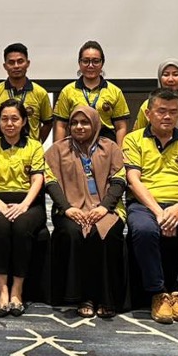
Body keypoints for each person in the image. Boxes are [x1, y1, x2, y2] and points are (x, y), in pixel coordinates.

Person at [123, 88, 178, 325]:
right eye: (161, 111)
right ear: (148, 113)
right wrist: (159, 212)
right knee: (144, 231)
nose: (167, 116)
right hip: (145, 205)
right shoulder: (133, 139)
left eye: (173, 112)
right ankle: (158, 293)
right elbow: (133, 180)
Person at [45, 105, 127, 318]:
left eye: (85, 122)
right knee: (73, 232)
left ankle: (106, 297)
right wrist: (67, 208)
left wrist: (104, 207)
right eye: (74, 123)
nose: (79, 127)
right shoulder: (57, 150)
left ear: (96, 124)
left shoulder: (110, 148)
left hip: (107, 208)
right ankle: (83, 296)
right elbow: (50, 182)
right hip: (69, 209)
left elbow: (119, 181)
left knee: (104, 234)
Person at [0, 99, 47, 317]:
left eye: (15, 119)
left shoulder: (35, 146)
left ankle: (17, 290)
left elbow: (37, 180)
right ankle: (2, 290)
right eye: (4, 119)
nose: (9, 124)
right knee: (0, 228)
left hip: (29, 201)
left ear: (24, 121)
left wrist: (24, 205)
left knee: (21, 228)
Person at [52, 41, 131, 145]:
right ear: (79, 63)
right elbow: (61, 126)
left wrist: (119, 152)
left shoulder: (115, 91)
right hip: (76, 145)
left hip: (106, 144)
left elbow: (121, 127)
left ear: (102, 63)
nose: (90, 65)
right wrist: (58, 151)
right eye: (85, 61)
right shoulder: (67, 91)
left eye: (95, 61)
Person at [0, 43, 53, 142]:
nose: (16, 66)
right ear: (5, 66)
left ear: (28, 63)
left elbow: (48, 123)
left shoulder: (40, 93)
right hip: (2, 150)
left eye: (20, 61)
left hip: (31, 150)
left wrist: (36, 143)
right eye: (11, 62)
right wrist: (6, 137)